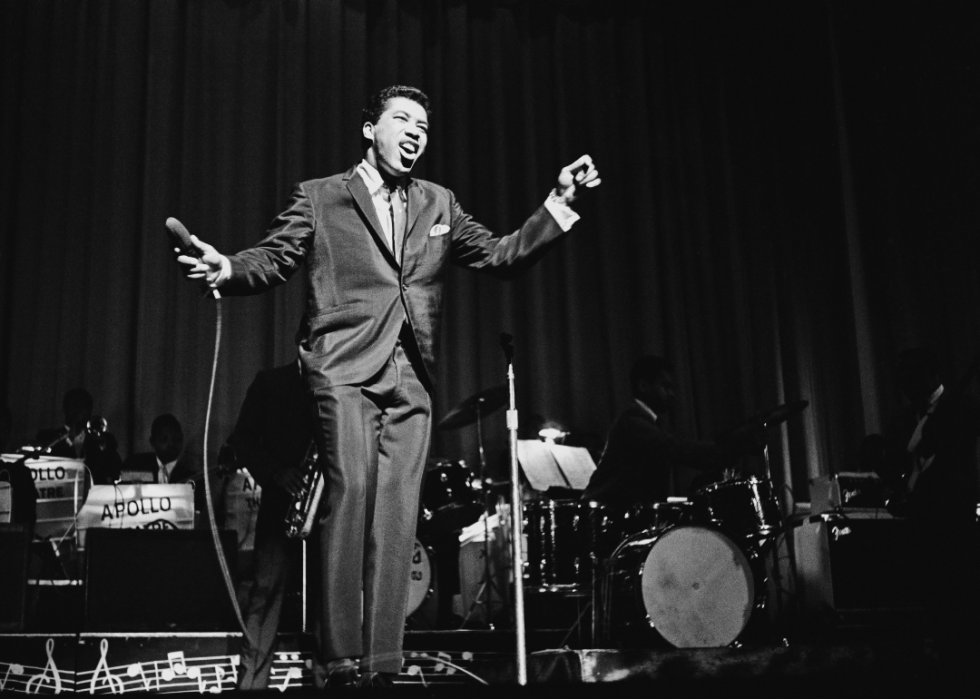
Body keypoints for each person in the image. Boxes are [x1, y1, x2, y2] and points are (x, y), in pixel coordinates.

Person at [173, 85, 600, 687]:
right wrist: (227, 267)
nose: (416, 131)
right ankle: (341, 660)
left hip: (412, 381)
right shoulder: (322, 197)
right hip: (343, 370)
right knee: (349, 500)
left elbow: (503, 255)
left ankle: (379, 666)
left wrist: (557, 202)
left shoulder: (438, 203)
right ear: (369, 129)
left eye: (424, 125)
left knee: (397, 521)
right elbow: (273, 257)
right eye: (402, 119)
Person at [880, 347, 980, 671]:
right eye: (902, 380)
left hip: (953, 511)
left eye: (913, 378)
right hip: (917, 513)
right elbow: (893, 462)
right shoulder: (901, 418)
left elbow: (961, 455)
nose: (906, 386)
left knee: (958, 591)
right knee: (925, 592)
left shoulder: (963, 407)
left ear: (933, 375)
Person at [226, 348, 313, 690]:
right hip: (282, 505)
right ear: (304, 338)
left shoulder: (340, 385)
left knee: (331, 603)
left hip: (330, 508)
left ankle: (330, 680)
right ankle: (251, 686)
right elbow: (242, 440)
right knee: (266, 595)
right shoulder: (271, 382)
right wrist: (276, 472)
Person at [583, 355, 753, 508]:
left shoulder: (647, 423)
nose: (672, 394)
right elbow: (679, 449)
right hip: (604, 517)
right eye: (665, 386)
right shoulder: (632, 422)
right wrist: (732, 446)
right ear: (643, 386)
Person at [35, 388, 121, 484]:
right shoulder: (47, 437)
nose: (79, 411)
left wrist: (103, 446)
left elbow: (116, 472)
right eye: (75, 406)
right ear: (65, 408)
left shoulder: (104, 439)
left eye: (84, 407)